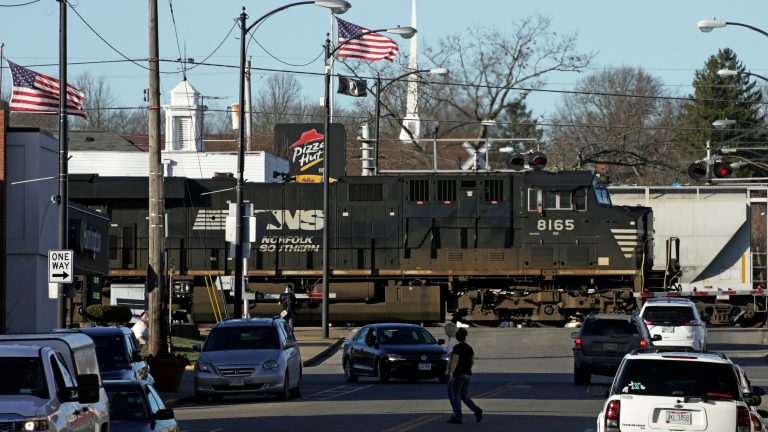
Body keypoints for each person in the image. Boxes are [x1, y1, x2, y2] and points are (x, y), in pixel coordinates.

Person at [447, 327, 483, 425]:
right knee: (464, 395)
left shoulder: (457, 348)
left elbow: (455, 361)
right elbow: (472, 362)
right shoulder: (469, 348)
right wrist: (467, 369)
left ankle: (458, 417)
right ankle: (477, 410)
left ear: (458, 338)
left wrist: (451, 373)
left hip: (458, 375)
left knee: (456, 396)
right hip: (468, 374)